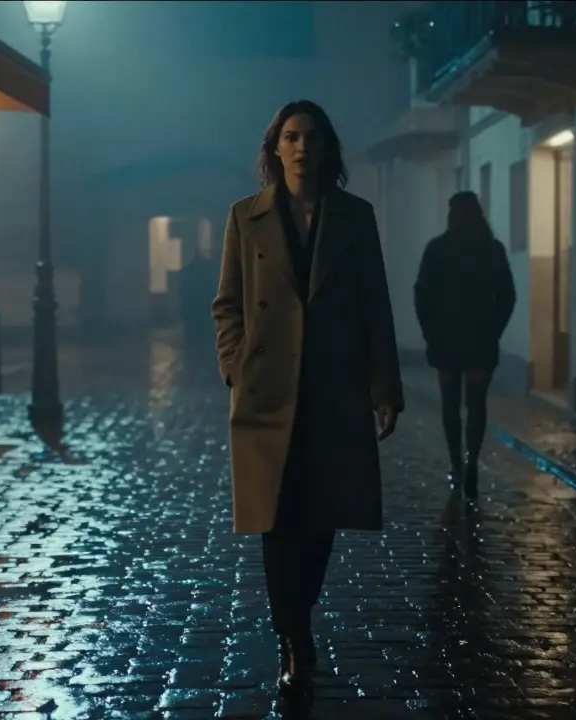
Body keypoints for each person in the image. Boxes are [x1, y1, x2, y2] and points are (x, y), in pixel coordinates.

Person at [211, 99, 403, 695]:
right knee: (278, 516)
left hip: (335, 387)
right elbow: (228, 303)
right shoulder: (246, 218)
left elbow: (376, 306)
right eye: (290, 137)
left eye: (312, 137)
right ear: (275, 149)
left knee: (322, 517)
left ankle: (300, 620)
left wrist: (383, 386)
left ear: (326, 149)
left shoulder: (355, 217)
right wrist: (236, 367)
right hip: (268, 390)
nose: (301, 147)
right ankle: (292, 634)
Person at [413, 191, 515, 498]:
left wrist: (429, 331)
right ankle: (471, 463)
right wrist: (494, 329)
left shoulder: (437, 248)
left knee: (450, 406)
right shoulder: (492, 249)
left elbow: (422, 295)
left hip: (446, 337)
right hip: (480, 338)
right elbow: (507, 295)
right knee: (476, 404)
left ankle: (457, 464)